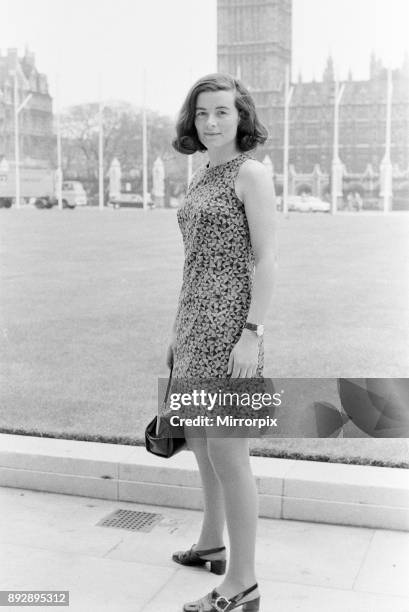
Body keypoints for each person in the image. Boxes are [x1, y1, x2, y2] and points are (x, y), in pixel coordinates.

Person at [167, 73, 277, 612]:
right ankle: (212, 541)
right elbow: (196, 261)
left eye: (222, 113)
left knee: (230, 454)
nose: (211, 122)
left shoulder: (250, 174)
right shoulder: (204, 171)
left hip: (231, 330)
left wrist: (252, 334)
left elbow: (268, 261)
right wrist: (176, 331)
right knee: (201, 443)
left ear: (242, 117)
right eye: (202, 113)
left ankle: (244, 582)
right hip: (194, 325)